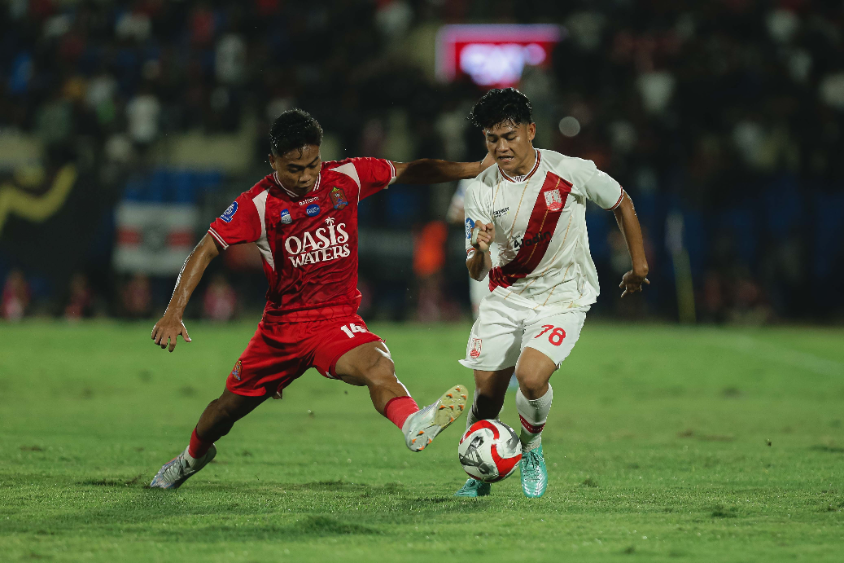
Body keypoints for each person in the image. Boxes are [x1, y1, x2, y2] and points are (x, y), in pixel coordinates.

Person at [150, 109, 491, 489]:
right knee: (224, 412)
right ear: (273, 161)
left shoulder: (347, 177)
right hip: (281, 331)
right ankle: (190, 459)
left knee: (378, 365)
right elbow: (206, 248)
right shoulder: (258, 204)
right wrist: (173, 312)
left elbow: (412, 170)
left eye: (312, 165)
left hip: (335, 321)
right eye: (293, 169)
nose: (305, 177)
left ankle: (412, 422)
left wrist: (475, 168)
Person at [455, 89, 649, 499]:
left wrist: (639, 265)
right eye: (492, 139)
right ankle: (480, 473)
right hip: (505, 298)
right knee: (487, 399)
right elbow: (476, 269)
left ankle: (531, 449)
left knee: (530, 377)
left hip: (563, 298)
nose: (501, 148)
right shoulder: (480, 190)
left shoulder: (569, 170)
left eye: (509, 137)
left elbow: (621, 202)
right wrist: (481, 249)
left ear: (531, 130)